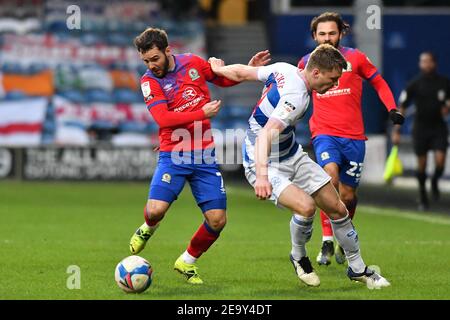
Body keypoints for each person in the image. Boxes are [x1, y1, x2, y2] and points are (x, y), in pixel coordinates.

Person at [209, 43, 390, 289]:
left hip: (291, 154)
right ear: (316, 73)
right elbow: (265, 136)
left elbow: (243, 73)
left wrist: (220, 70)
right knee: (306, 207)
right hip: (263, 160)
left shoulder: (285, 69)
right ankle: (299, 257)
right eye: (332, 78)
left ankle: (358, 269)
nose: (335, 84)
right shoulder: (296, 97)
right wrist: (261, 177)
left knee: (337, 208)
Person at [128, 27, 270, 285]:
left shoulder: (193, 63)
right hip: (173, 153)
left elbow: (222, 79)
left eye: (155, 59)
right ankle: (147, 228)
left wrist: (248, 71)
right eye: (146, 61)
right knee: (155, 210)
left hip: (203, 155)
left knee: (217, 220)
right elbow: (163, 118)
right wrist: (201, 114)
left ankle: (187, 261)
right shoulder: (149, 81)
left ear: (167, 50)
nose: (151, 66)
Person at [297, 12, 404, 266]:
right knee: (328, 179)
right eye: (321, 34)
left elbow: (378, 82)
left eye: (331, 33)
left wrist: (392, 108)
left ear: (341, 33)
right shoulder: (306, 63)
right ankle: (326, 240)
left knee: (348, 196)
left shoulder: (355, 58)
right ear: (314, 36)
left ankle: (346, 235)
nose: (326, 38)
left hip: (354, 137)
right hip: (323, 133)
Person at [392, 51, 450, 211]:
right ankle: (423, 196)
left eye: (428, 61)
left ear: (434, 63)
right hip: (421, 129)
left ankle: (435, 180)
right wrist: (396, 130)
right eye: (423, 61)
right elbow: (402, 105)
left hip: (439, 127)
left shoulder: (444, 82)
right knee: (422, 166)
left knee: (440, 162)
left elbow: (448, 102)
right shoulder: (415, 84)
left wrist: (447, 107)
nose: (426, 64)